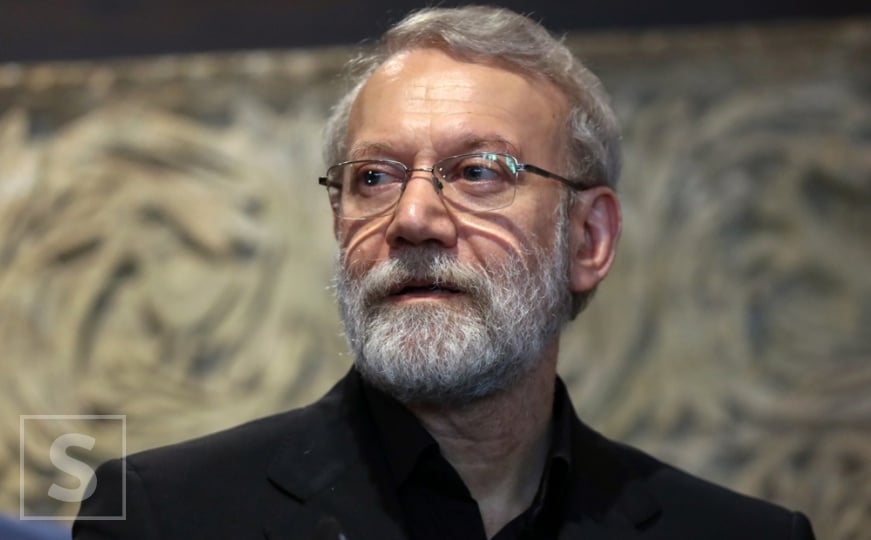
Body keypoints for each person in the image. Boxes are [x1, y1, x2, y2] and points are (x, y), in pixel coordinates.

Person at [74, 6, 815, 539]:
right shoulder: (166, 515)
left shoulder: (738, 533)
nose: (413, 217)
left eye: (478, 172)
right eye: (373, 177)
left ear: (588, 239)